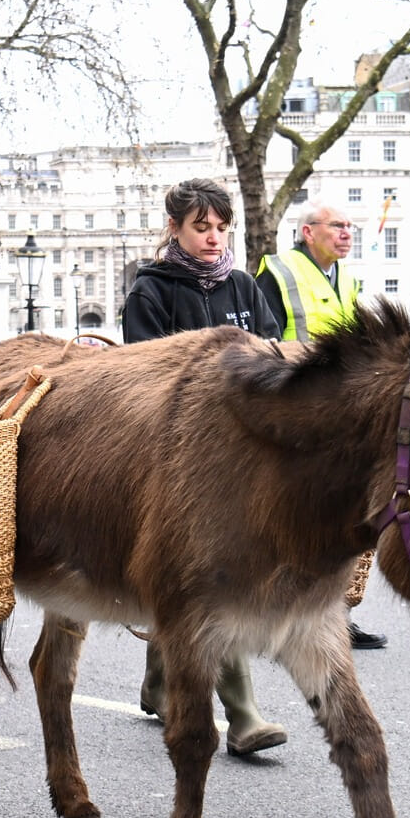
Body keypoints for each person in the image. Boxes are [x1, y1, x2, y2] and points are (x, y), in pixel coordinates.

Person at [122, 178, 289, 755]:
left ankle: (158, 680)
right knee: (214, 577)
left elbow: (274, 357)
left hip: (240, 452)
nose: (214, 239)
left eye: (221, 228)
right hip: (176, 456)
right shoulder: (150, 292)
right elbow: (143, 378)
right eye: (201, 228)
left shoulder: (244, 284)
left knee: (183, 578)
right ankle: (243, 716)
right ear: (175, 228)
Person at [254, 205, 388, 653]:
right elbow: (261, 337)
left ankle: (336, 617)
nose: (347, 233)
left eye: (351, 226)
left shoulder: (345, 278)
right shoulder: (279, 270)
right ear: (308, 232)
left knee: (342, 517)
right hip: (296, 407)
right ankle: (289, 615)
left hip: (337, 410)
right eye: (338, 226)